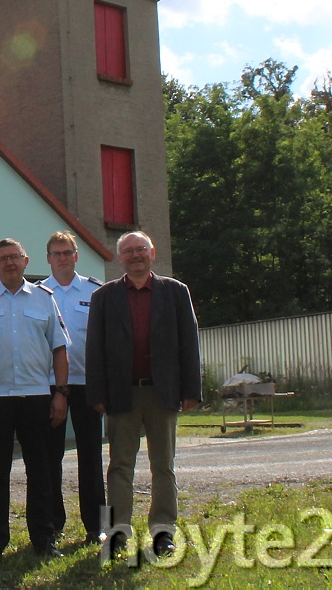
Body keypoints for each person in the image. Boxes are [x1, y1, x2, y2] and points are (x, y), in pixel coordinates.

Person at [85, 230, 202, 559]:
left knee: (163, 466)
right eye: (128, 252)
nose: (135, 256)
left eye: (140, 250)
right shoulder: (104, 297)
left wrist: (192, 389)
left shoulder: (176, 292)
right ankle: (116, 533)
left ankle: (163, 532)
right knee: (119, 467)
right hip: (121, 395)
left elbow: (189, 342)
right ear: (119, 257)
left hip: (162, 393)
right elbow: (94, 349)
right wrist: (97, 392)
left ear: (152, 252)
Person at [0, 239, 69, 566]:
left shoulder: (44, 299)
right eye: (2, 259)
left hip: (37, 396)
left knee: (41, 470)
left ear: (25, 261)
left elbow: (60, 349)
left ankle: (43, 538)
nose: (9, 263)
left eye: (14, 258)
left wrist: (60, 393)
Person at [40, 231, 106, 546]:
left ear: (76, 255)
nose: (62, 258)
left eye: (67, 252)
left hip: (87, 386)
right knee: (49, 457)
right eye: (56, 253)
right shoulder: (39, 294)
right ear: (48, 258)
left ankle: (97, 525)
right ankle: (52, 523)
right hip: (51, 387)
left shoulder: (96, 292)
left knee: (91, 457)